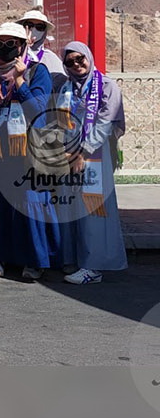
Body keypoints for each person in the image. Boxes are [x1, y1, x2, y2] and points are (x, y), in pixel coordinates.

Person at [0, 22, 58, 281]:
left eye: (11, 44)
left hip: (26, 153)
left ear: (22, 46)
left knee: (28, 207)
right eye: (1, 44)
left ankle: (33, 260)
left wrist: (20, 81)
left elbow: (39, 113)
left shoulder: (36, 72)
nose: (5, 49)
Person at [54, 41, 128, 284]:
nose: (76, 65)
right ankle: (76, 258)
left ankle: (93, 266)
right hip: (70, 157)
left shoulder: (106, 86)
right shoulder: (67, 88)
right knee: (72, 209)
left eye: (80, 59)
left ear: (88, 57)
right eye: (69, 61)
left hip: (94, 157)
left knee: (93, 210)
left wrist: (83, 153)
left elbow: (105, 123)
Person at [17, 10, 65, 76]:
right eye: (29, 25)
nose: (33, 29)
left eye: (39, 27)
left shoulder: (50, 58)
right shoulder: (12, 52)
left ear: (44, 32)